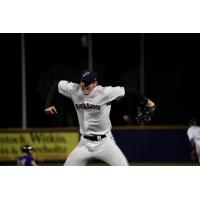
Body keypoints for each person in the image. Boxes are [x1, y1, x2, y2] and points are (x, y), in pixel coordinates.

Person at [44, 69, 156, 166]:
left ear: (95, 83)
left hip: (105, 142)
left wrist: (148, 102)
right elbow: (56, 84)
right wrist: (48, 104)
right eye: (83, 82)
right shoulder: (75, 89)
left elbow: (127, 91)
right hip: (84, 144)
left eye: (88, 83)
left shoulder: (104, 92)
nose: (84, 85)